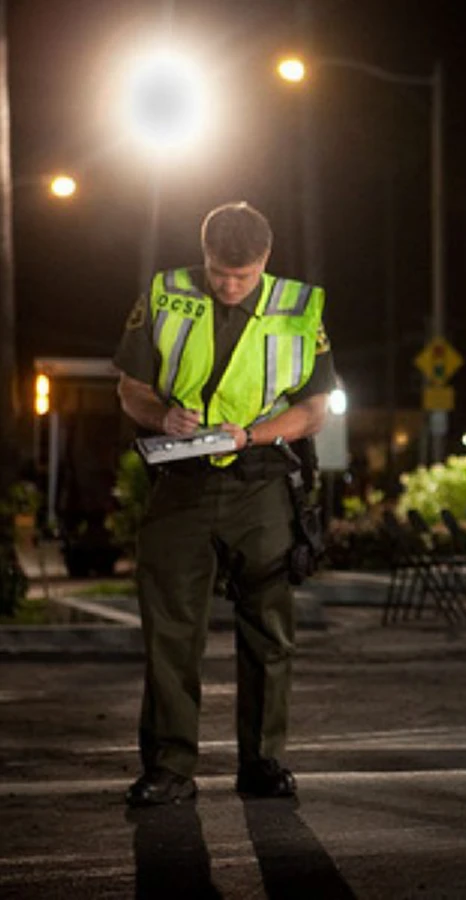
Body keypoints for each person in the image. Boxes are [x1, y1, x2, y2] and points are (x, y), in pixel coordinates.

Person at [115, 202, 337, 806]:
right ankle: (168, 768)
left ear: (266, 261)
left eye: (242, 275)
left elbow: (316, 407)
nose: (230, 286)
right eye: (219, 273)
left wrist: (253, 434)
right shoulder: (166, 293)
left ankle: (263, 763)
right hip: (180, 483)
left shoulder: (298, 308)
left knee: (268, 630)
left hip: (262, 482)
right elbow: (129, 386)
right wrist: (163, 415)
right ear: (204, 256)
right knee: (170, 632)